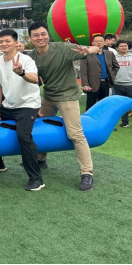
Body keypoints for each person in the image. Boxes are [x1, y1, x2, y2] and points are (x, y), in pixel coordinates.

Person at [28, 22, 99, 191]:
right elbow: (32, 80)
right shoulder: (31, 57)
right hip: (48, 96)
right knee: (39, 128)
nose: (40, 37)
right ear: (30, 38)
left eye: (43, 34)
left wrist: (88, 50)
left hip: (67, 96)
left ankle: (87, 173)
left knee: (75, 133)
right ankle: (40, 159)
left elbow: (95, 48)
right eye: (36, 35)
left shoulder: (63, 48)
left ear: (48, 35)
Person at [0, 29, 45, 191]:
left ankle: (36, 178)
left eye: (7, 41)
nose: (4, 44)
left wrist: (21, 72)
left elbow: (35, 79)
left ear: (15, 42)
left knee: (23, 136)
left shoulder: (26, 60)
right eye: (1, 41)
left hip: (27, 105)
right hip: (8, 105)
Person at [80, 35, 119, 111]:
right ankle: (89, 119)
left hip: (105, 83)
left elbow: (116, 66)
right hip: (92, 84)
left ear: (104, 42)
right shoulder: (87, 54)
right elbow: (83, 71)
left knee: (103, 106)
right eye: (97, 41)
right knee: (90, 106)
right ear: (92, 43)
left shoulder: (109, 53)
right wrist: (85, 84)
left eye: (101, 41)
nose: (99, 43)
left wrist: (111, 75)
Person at [114, 40, 132, 128]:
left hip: (130, 83)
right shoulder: (113, 57)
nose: (124, 47)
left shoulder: (131, 56)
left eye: (126, 46)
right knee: (122, 104)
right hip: (118, 84)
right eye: (121, 46)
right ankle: (125, 122)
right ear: (117, 48)